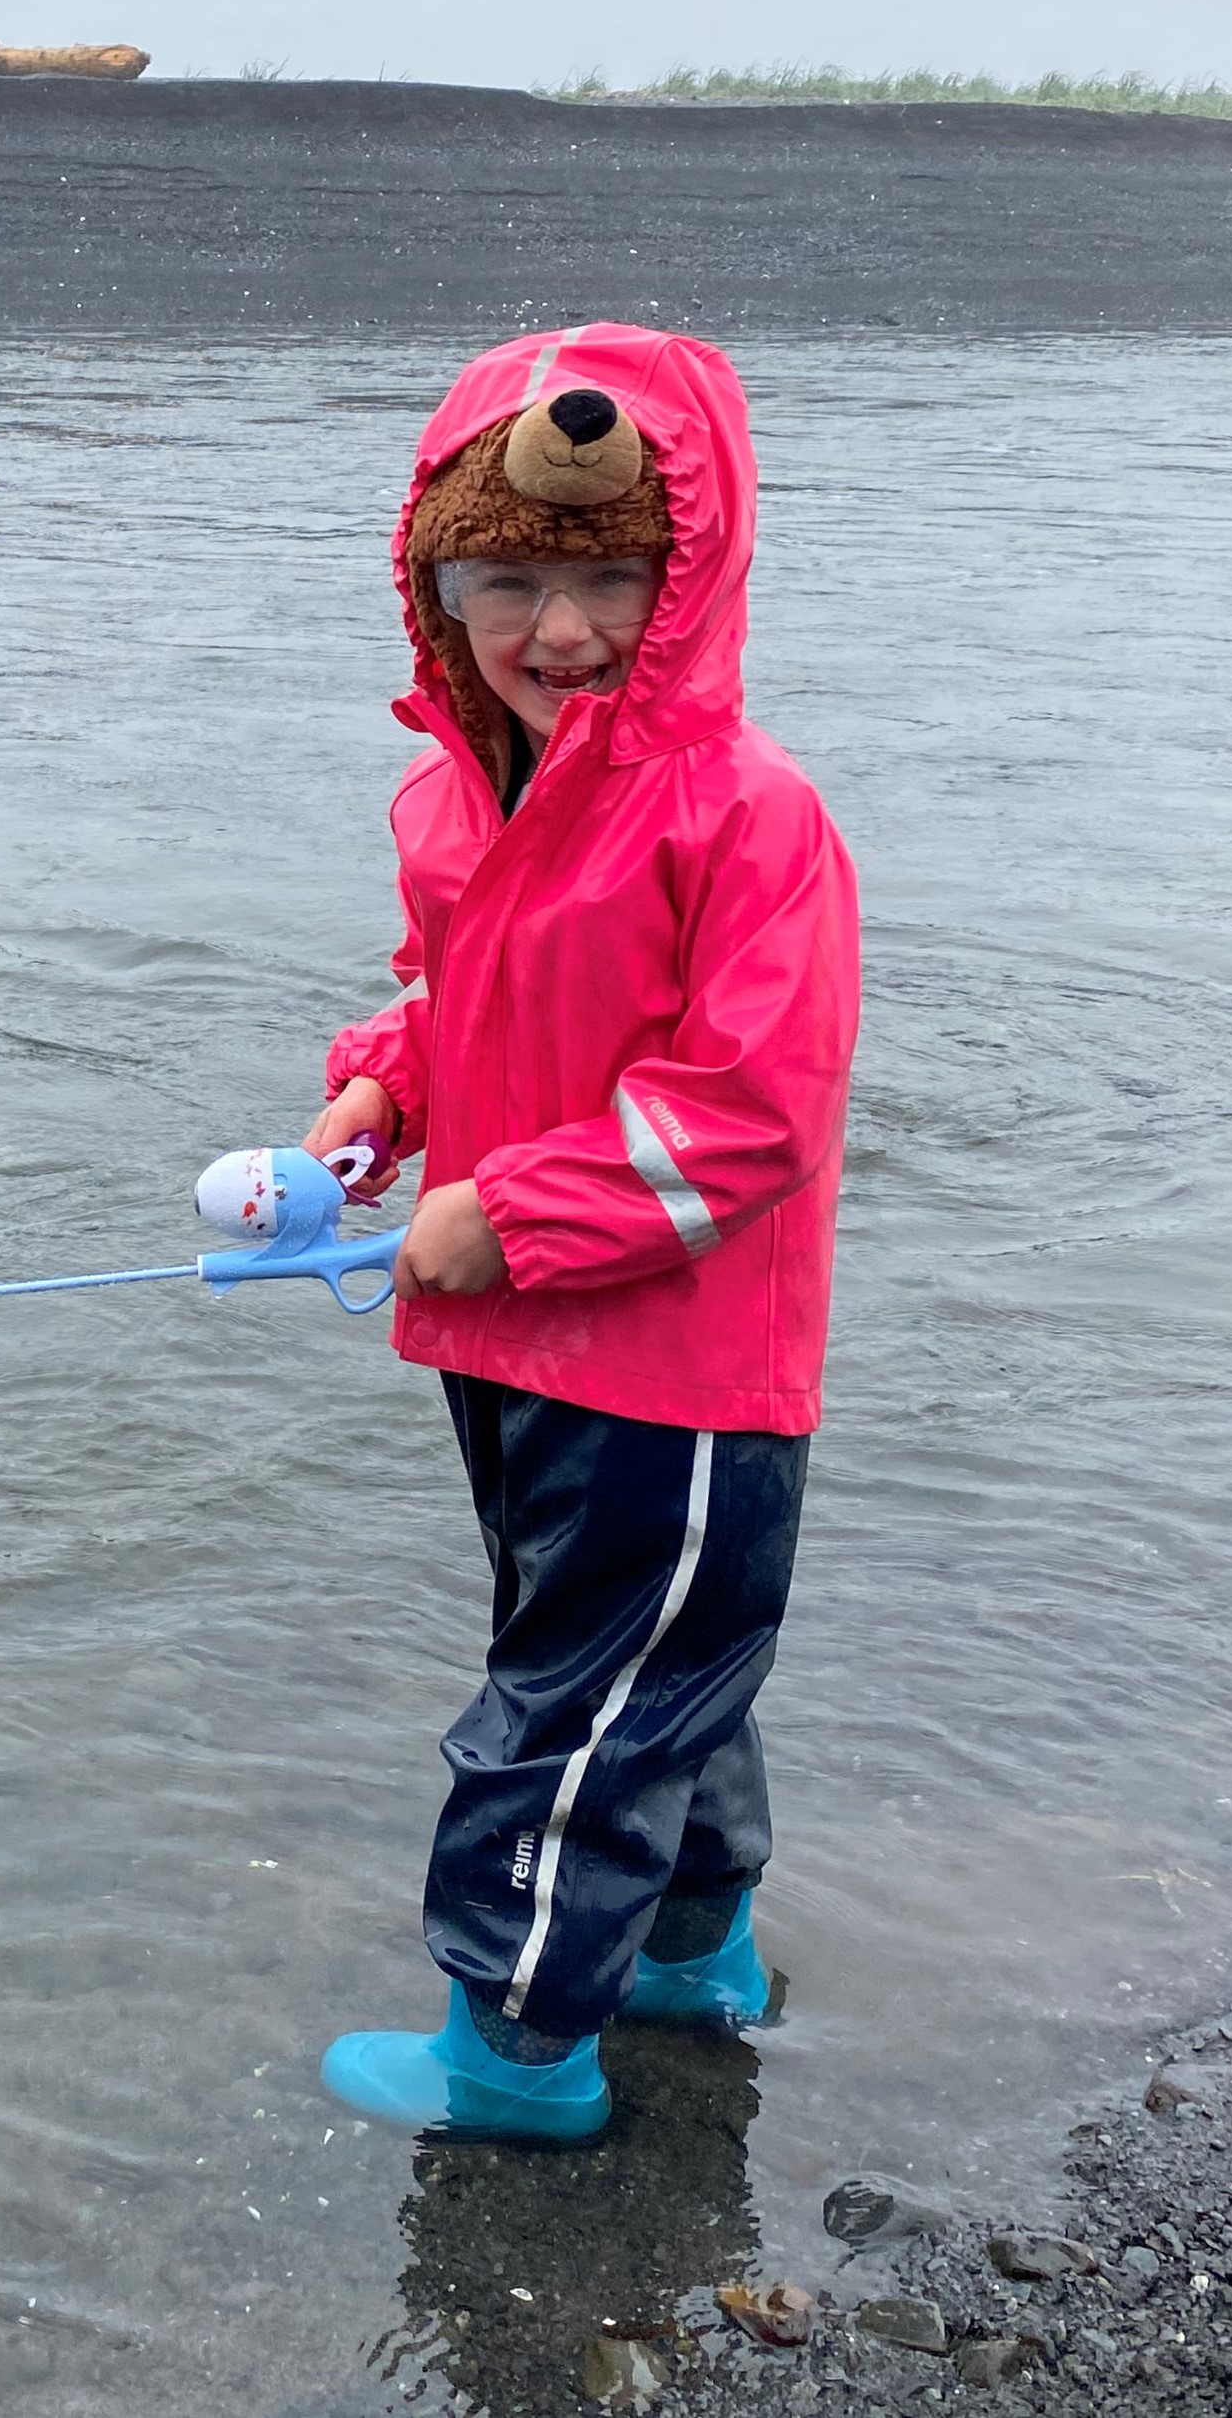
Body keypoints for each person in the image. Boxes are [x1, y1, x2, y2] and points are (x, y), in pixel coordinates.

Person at [304, 323, 860, 2143]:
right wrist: (387, 1089)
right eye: (508, 581)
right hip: (516, 1343)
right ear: (436, 585)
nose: (558, 629)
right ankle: (694, 1953)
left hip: (679, 1376)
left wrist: (514, 1212)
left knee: (569, 1710)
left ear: (686, 581)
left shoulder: (752, 817)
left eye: (612, 577)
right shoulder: (467, 794)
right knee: (652, 1671)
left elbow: (754, 1110)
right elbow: (465, 994)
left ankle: (516, 2054)